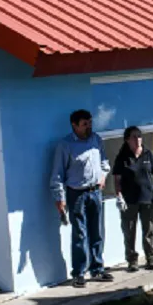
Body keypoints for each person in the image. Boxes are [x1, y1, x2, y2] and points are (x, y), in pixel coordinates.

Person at [50, 109, 114, 288]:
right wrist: (59, 198)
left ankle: (97, 268)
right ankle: (79, 273)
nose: (89, 127)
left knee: (97, 231)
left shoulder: (96, 140)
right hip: (76, 193)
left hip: (95, 192)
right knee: (80, 233)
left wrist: (103, 176)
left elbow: (104, 163)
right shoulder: (66, 145)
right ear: (74, 125)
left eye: (90, 123)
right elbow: (57, 174)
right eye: (85, 124)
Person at [113, 126, 153, 272]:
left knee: (148, 230)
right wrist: (119, 196)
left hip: (148, 199)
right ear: (127, 140)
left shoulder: (148, 154)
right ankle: (132, 261)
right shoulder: (122, 157)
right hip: (129, 201)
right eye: (134, 137)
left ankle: (150, 258)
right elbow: (117, 179)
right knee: (129, 232)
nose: (138, 140)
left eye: (139, 136)